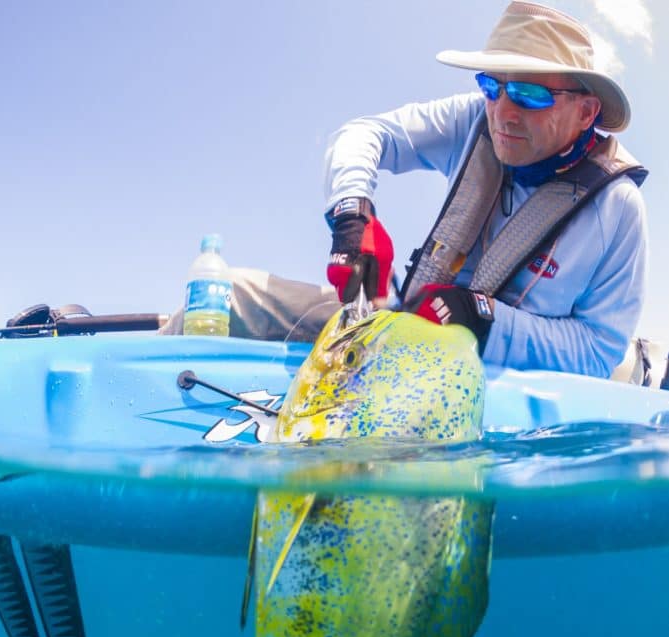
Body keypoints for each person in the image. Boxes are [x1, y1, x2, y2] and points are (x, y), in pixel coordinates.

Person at [163, 1, 648, 380]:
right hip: (400, 326)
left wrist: (483, 320)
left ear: (586, 112)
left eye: (530, 94)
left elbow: (598, 350)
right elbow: (364, 133)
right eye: (492, 85)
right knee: (232, 294)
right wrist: (352, 215)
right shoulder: (472, 118)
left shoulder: (618, 210)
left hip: (498, 379)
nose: (503, 111)